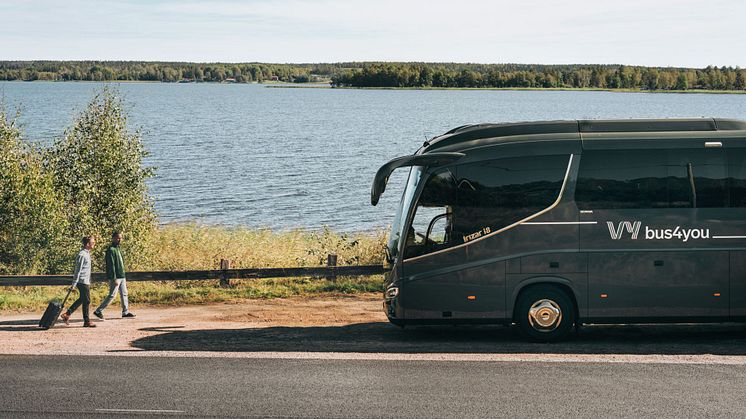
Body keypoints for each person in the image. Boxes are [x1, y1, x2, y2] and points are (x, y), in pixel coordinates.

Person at [93, 231, 135, 319]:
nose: (119, 239)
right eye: (118, 238)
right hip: (116, 277)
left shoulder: (118, 248)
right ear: (113, 238)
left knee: (124, 293)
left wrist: (122, 274)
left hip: (122, 275)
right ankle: (98, 311)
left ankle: (125, 312)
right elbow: (111, 265)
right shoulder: (110, 250)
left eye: (120, 238)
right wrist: (114, 278)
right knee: (112, 295)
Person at [60, 236, 96, 327]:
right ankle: (86, 321)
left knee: (83, 299)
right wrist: (74, 283)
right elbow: (78, 270)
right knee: (87, 300)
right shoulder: (82, 255)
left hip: (85, 280)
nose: (94, 244)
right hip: (81, 281)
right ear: (87, 244)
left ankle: (67, 314)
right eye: (92, 242)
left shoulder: (87, 253)